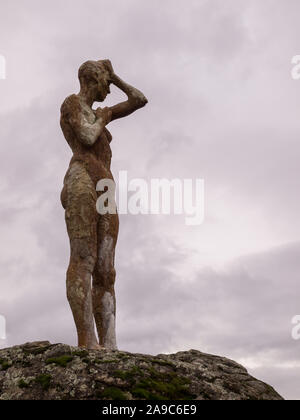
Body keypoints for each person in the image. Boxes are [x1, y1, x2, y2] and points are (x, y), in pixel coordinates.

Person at [60, 59, 148, 349]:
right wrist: (102, 119)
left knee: (106, 270)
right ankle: (87, 339)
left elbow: (139, 100)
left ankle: (109, 344)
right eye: (105, 84)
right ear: (92, 79)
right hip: (82, 176)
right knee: (83, 259)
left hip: (106, 184)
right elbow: (86, 137)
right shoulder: (72, 104)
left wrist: (116, 77)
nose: (109, 91)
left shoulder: (102, 112)